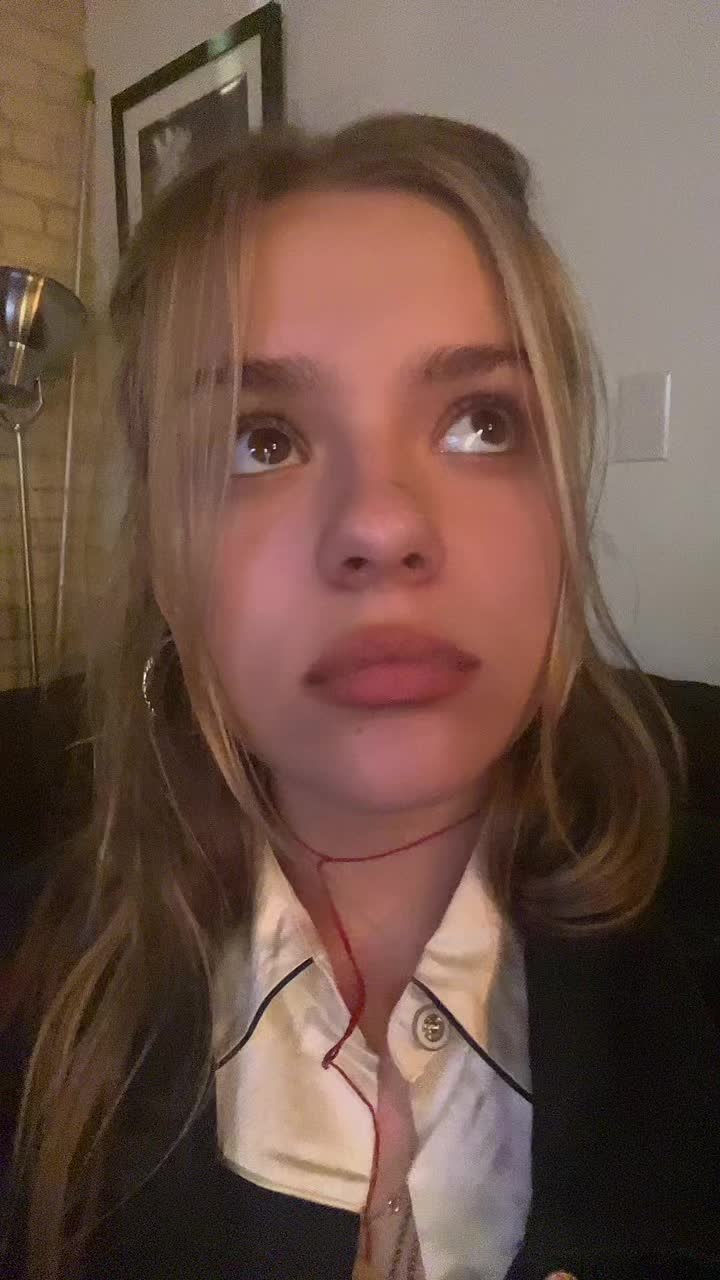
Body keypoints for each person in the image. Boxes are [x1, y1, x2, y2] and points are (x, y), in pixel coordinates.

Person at [1, 114, 718, 1280]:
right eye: (260, 440)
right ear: (164, 562)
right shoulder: (26, 994)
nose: (382, 525)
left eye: (482, 422)